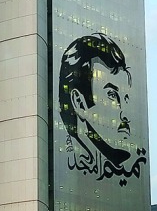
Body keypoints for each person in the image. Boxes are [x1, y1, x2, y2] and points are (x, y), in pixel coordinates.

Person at [58, 33, 147, 184]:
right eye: (112, 96)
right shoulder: (65, 161)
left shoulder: (130, 164)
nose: (126, 115)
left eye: (126, 98)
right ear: (79, 102)